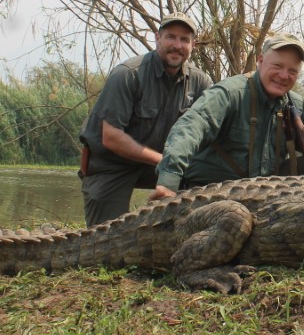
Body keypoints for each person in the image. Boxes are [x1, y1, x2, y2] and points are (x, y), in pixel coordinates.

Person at [151, 33, 304, 198]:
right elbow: (190, 127)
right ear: (260, 61)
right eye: (277, 66)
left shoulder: (295, 104)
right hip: (209, 195)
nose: (284, 76)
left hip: (263, 196)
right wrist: (168, 180)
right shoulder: (230, 93)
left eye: (292, 71)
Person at [78, 13, 213, 225]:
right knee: (105, 240)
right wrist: (166, 161)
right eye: (171, 37)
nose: (177, 45)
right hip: (112, 164)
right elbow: (111, 137)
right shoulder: (127, 74)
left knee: (205, 185)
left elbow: (211, 132)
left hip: (163, 164)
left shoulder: (200, 81)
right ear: (157, 39)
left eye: (184, 39)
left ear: (193, 45)